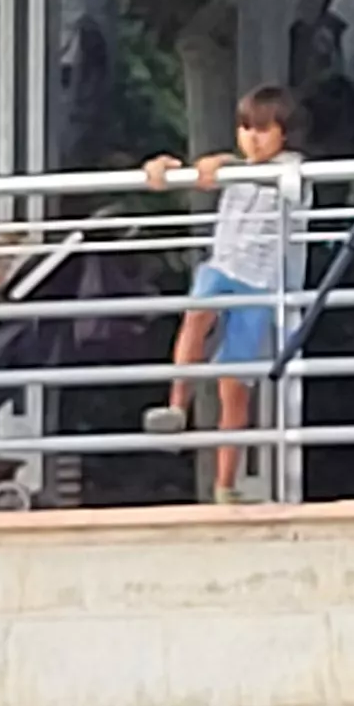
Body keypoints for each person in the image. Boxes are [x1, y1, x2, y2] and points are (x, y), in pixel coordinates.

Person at [139, 85, 301, 506]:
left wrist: (223, 162)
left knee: (235, 389)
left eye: (264, 129)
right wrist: (166, 169)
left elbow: (271, 177)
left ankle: (225, 484)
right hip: (222, 267)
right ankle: (177, 405)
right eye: (246, 128)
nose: (253, 138)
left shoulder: (291, 170)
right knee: (196, 317)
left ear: (285, 133)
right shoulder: (234, 170)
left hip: (259, 283)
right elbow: (205, 173)